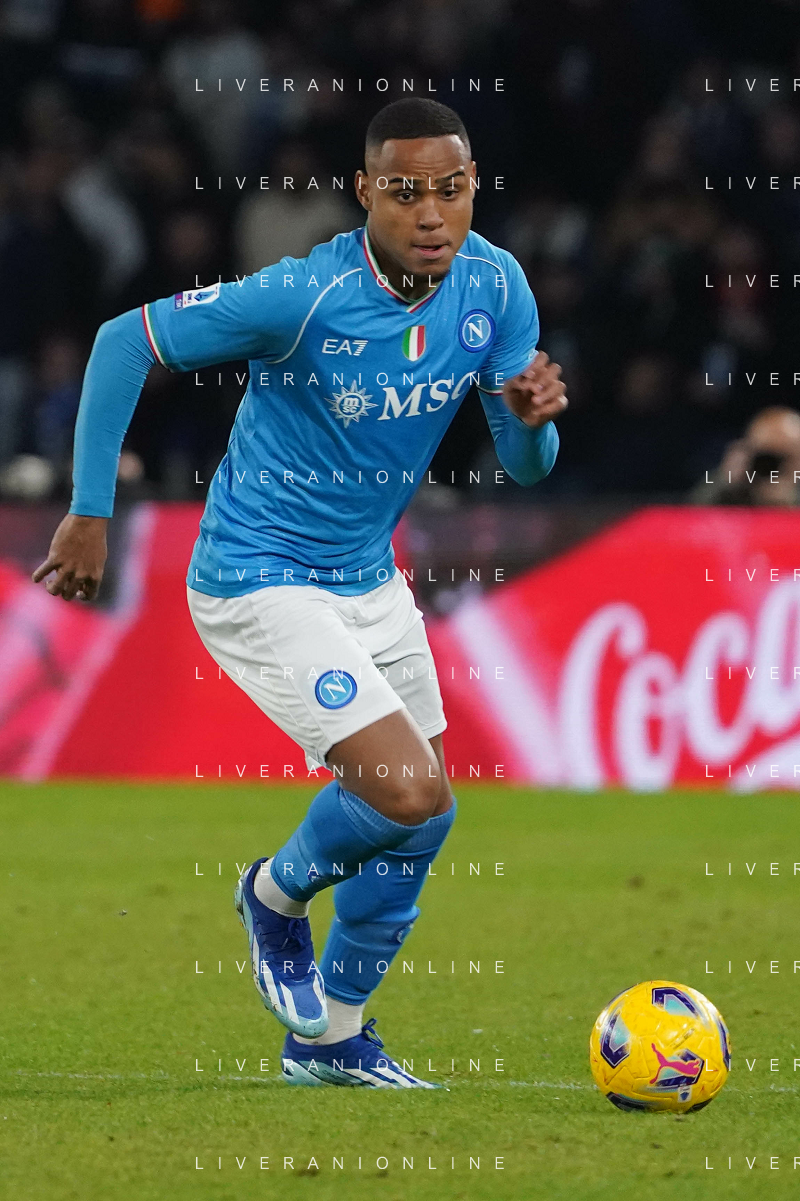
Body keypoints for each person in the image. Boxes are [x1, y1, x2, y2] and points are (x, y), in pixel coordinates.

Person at [31, 98, 568, 1088]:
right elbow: (122, 342)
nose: (430, 214)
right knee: (403, 788)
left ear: (472, 189)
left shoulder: (495, 287)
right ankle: (275, 894)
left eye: (450, 190)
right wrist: (90, 510)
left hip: (368, 576)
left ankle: (331, 1040)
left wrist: (532, 421)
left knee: (426, 815)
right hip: (258, 574)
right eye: (403, 192)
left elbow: (527, 467)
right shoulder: (303, 294)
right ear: (363, 192)